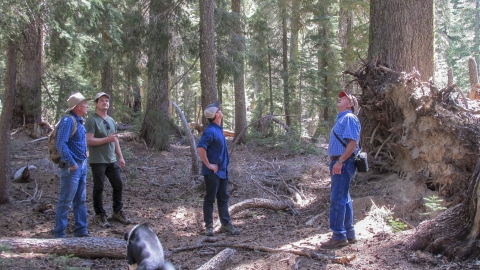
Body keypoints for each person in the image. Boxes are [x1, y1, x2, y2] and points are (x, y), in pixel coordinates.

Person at [320, 91, 360, 249]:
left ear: (350, 104)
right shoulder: (342, 119)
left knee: (337, 199)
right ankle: (348, 233)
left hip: (343, 163)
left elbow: (353, 143)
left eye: (344, 98)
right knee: (344, 197)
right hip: (341, 162)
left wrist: (340, 161)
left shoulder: (349, 117)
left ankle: (338, 236)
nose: (340, 98)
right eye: (340, 97)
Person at [85, 92, 132, 228]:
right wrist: (107, 139)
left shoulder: (111, 120)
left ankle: (117, 212)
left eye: (107, 101)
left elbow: (115, 139)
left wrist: (120, 156)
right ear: (96, 104)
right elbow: (89, 140)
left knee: (118, 185)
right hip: (97, 160)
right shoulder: (91, 120)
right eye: (102, 101)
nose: (105, 103)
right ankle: (99, 214)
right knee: (98, 188)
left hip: (111, 160)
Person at [197, 100, 240, 236]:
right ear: (216, 115)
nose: (221, 111)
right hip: (212, 172)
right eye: (219, 110)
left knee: (223, 197)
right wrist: (208, 164)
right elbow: (200, 148)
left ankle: (226, 224)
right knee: (210, 198)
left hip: (222, 171)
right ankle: (209, 226)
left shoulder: (219, 130)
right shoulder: (210, 131)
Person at [54, 92, 90, 238]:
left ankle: (81, 231)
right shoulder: (68, 121)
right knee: (65, 201)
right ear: (78, 106)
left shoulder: (80, 121)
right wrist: (72, 163)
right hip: (71, 168)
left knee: (80, 200)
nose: (87, 106)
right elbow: (61, 144)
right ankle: (59, 234)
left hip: (82, 166)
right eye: (85, 103)